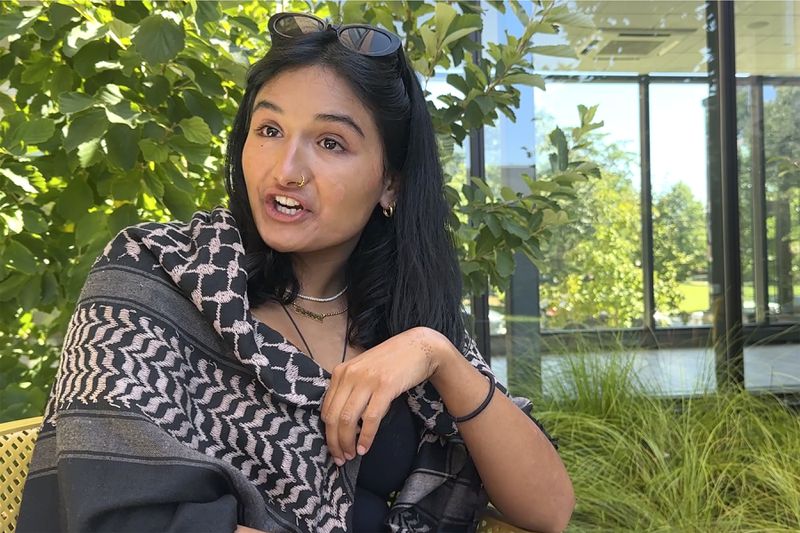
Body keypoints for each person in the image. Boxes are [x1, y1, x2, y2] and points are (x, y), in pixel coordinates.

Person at [17, 12, 574, 533]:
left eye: (330, 142)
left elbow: (548, 510)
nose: (286, 170)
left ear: (391, 184)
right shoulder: (153, 273)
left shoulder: (403, 310)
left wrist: (437, 353)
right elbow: (125, 512)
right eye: (269, 131)